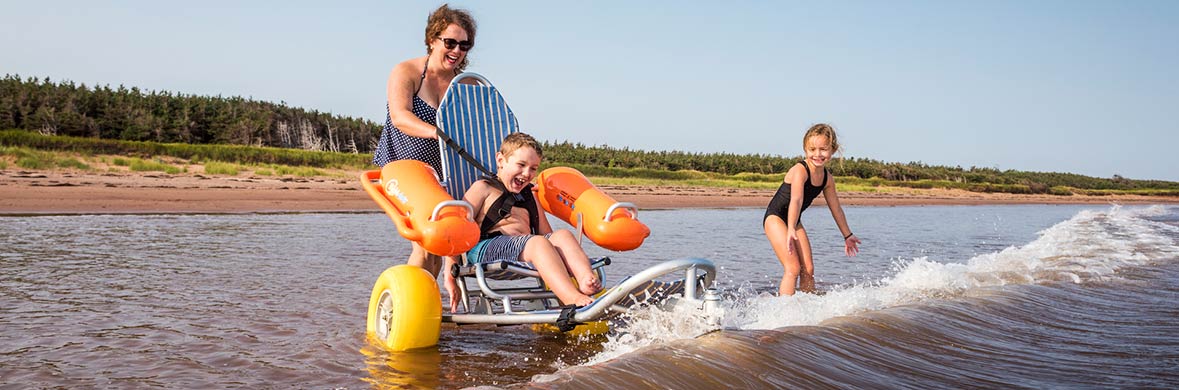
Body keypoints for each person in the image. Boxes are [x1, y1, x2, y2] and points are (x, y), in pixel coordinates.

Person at [372, 4, 477, 277]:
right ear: (432, 40)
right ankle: (407, 307)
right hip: (405, 169)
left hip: (445, 173)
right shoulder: (407, 72)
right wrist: (436, 132)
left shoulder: (465, 84)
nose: (456, 51)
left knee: (440, 245)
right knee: (424, 241)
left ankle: (429, 307)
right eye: (450, 42)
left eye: (464, 46)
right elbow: (400, 117)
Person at [444, 133, 602, 310]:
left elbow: (547, 235)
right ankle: (571, 297)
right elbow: (455, 232)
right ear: (500, 160)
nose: (527, 174)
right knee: (537, 243)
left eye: (533, 169)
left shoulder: (530, 196)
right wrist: (450, 275)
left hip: (524, 250)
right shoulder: (483, 188)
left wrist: (562, 251)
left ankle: (585, 280)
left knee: (562, 235)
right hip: (486, 250)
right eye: (521, 165)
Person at [763, 123, 862, 296]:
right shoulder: (800, 170)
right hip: (776, 218)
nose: (817, 154)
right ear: (805, 149)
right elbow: (796, 199)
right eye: (812, 149)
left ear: (833, 149)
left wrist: (847, 235)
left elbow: (836, 209)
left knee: (808, 269)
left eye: (823, 149)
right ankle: (784, 311)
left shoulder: (827, 179)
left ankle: (807, 311)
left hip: (794, 221)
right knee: (793, 268)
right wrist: (791, 228)